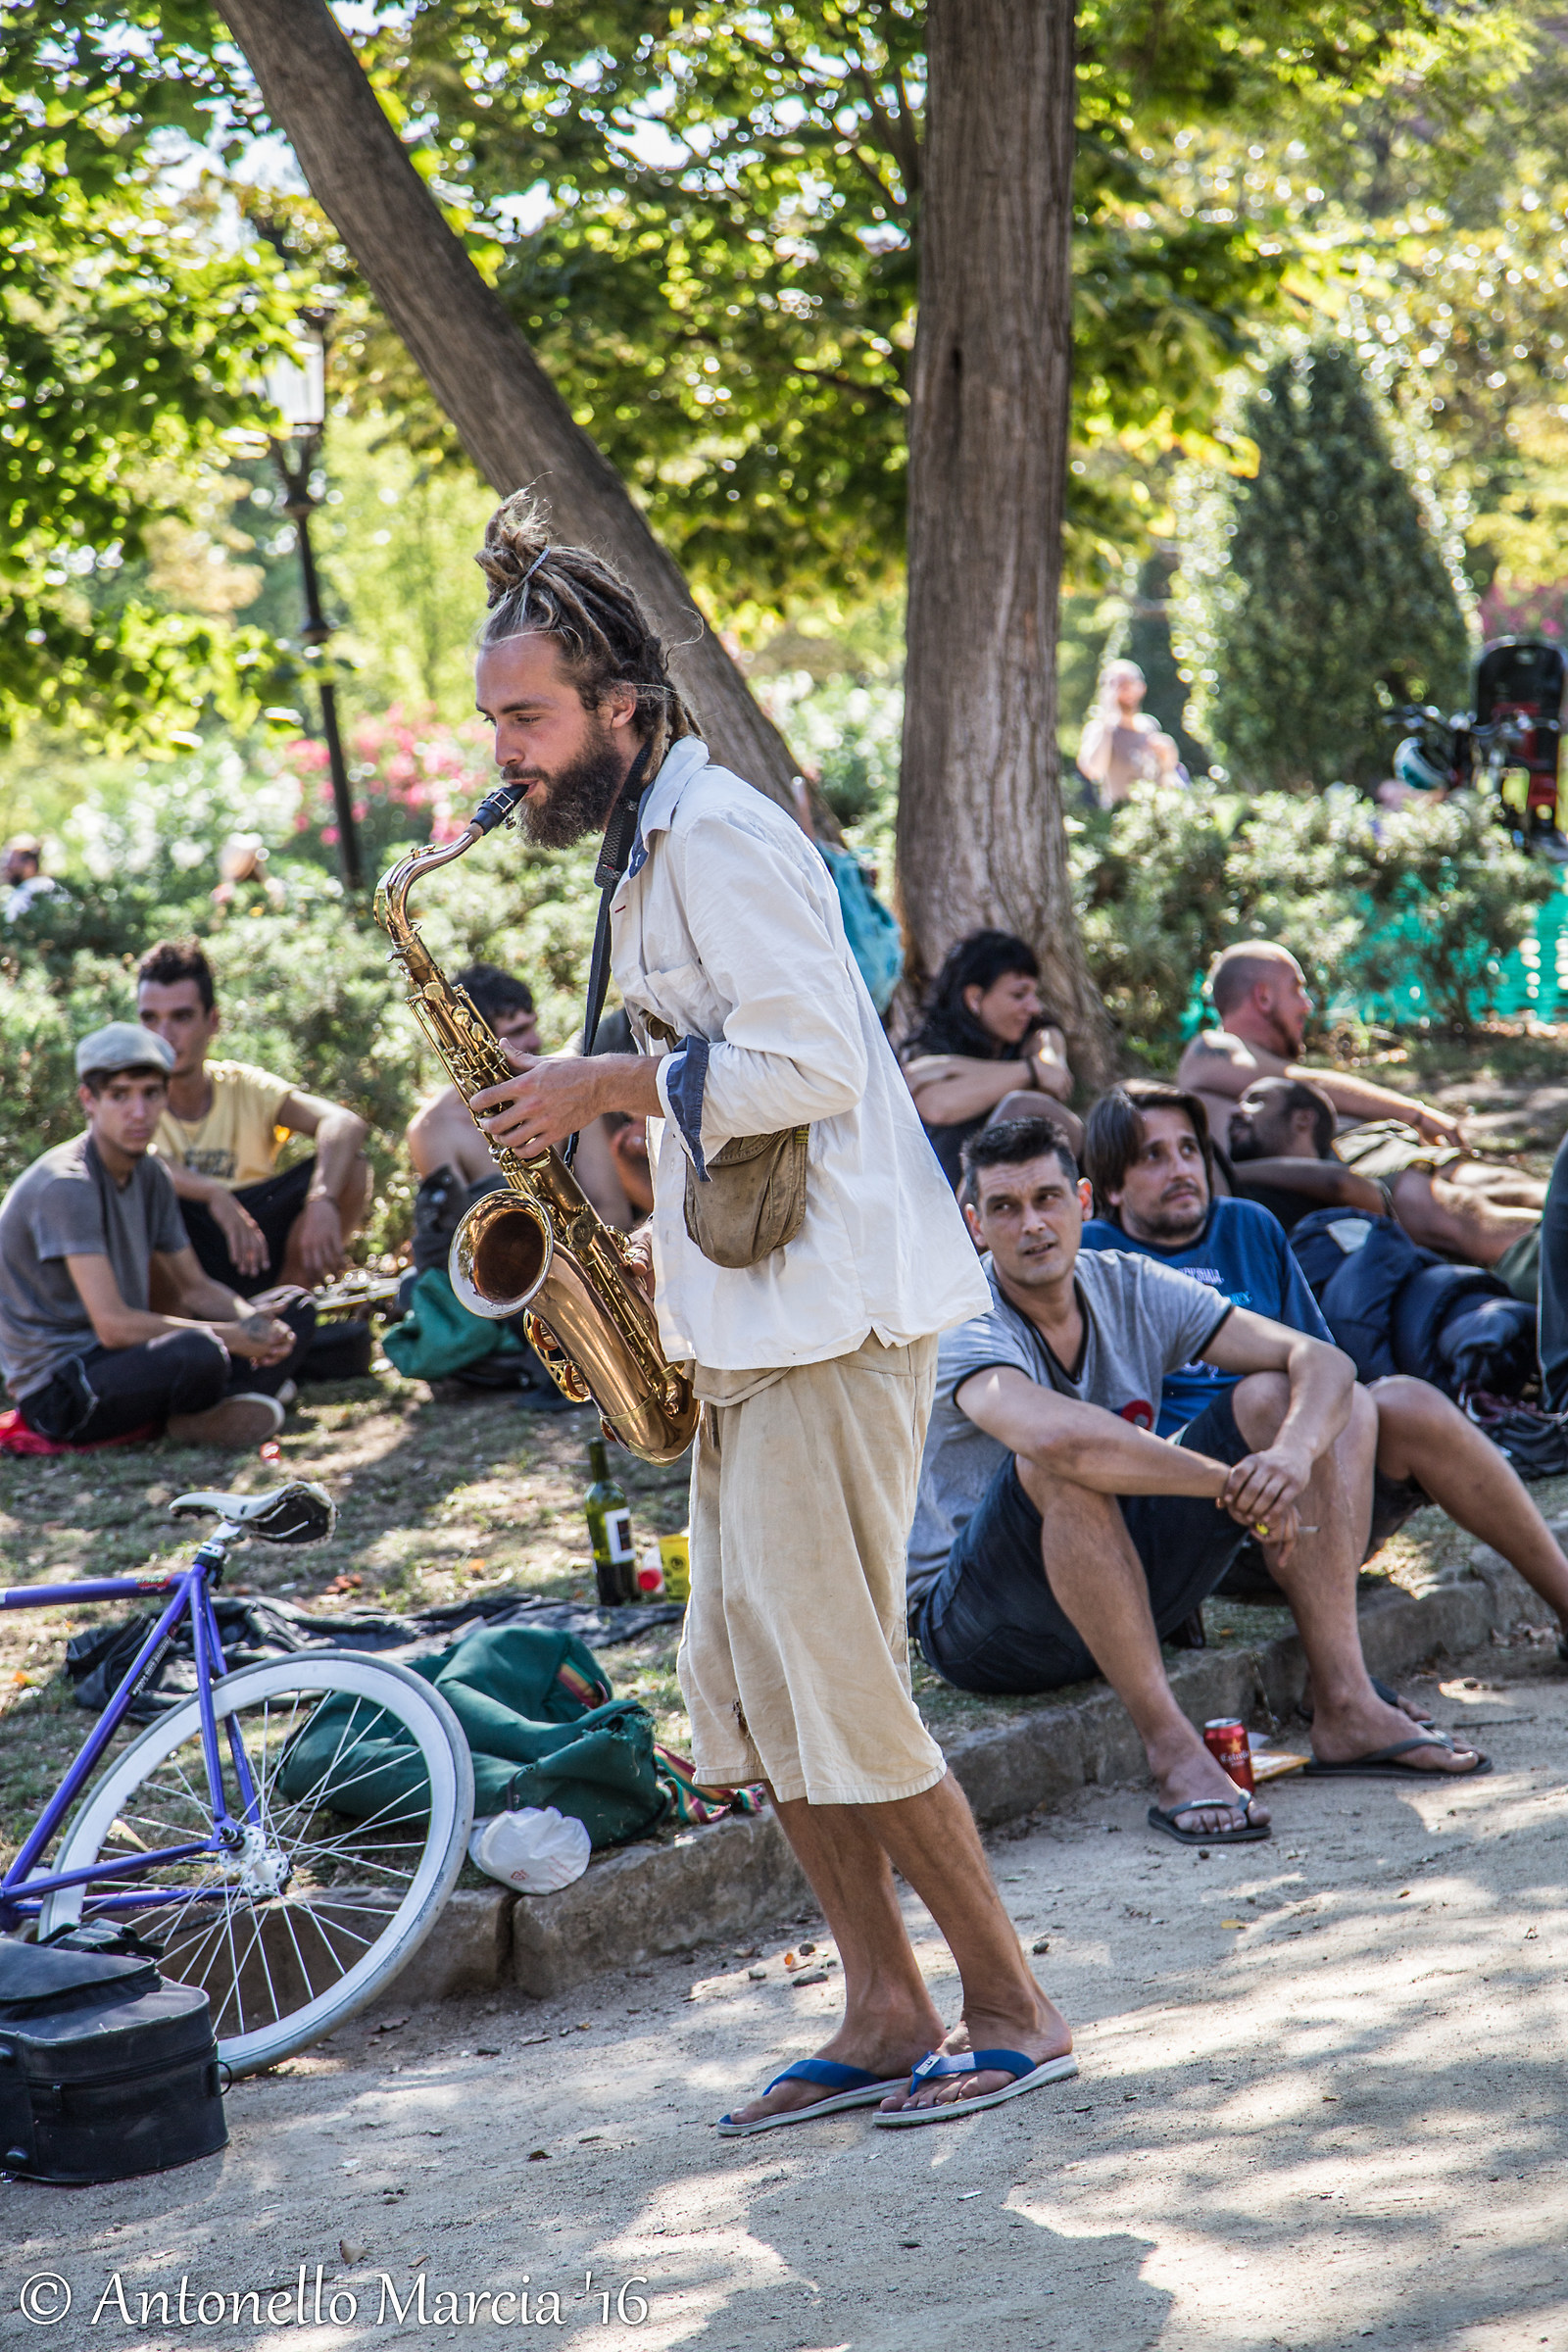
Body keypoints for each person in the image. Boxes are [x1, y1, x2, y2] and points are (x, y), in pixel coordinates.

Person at [460, 492, 1071, 2131]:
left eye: (527, 717)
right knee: (746, 1687)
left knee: (840, 1682)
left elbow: (812, 1059)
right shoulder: (647, 847)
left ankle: (1012, 1999)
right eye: (494, 719)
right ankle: (883, 2006)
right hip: (748, 1322)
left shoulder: (721, 837)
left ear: (621, 707)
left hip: (831, 1323)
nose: (503, 750)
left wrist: (604, 1077)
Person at [906, 1115, 1485, 1847]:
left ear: (1084, 1201)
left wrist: (1289, 1461)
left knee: (1273, 1401)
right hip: (984, 1624)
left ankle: (1346, 1702)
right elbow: (1057, 1439)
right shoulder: (962, 1318)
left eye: (1048, 1199)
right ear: (975, 1226)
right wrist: (1229, 1485)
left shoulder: (1128, 1283)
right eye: (1005, 1208)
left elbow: (1324, 1363)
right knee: (1061, 1464)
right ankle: (1173, 1752)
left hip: (1114, 1585)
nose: (1032, 1225)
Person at [1081, 1080, 1568, 1641]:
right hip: (1199, 1512)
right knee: (1265, 1395)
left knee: (1402, 1398)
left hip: (1313, 1494)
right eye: (1153, 1156)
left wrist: (1296, 1454)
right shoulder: (1096, 1257)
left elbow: (1326, 1367)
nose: (1181, 1169)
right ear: (1113, 1186)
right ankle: (1343, 1688)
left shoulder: (1248, 1226)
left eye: (1189, 1149)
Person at [0, 1024, 313, 1448]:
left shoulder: (150, 1174)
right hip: (63, 1389)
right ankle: (207, 1412)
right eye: (120, 1095)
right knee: (198, 1351)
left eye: (151, 1094)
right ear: (88, 1100)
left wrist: (253, 1325)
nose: (139, 1112)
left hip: (126, 1362)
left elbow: (196, 1287)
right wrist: (234, 1338)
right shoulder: (68, 1185)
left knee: (295, 1307)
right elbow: (112, 1326)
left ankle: (219, 1407)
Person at [1177, 940, 1545, 1266]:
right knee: (1458, 1212)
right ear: (1263, 997)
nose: (1307, 1006)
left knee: (1496, 1180)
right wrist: (1414, 1112)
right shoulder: (1211, 1047)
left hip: (1372, 1145)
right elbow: (1304, 1082)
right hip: (1353, 1162)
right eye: (1297, 990)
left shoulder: (1261, 1064)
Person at [135, 939, 371, 1294]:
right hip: (182, 1248)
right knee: (139, 1195)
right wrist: (213, 1193)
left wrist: (322, 1199)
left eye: (181, 1017)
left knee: (351, 1165)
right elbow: (123, 1159)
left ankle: (289, 1305)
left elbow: (343, 1123)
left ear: (212, 1020)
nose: (164, 1035)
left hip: (258, 1240)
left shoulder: (243, 1086)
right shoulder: (130, 1096)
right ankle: (187, 1332)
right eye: (150, 1019)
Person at [900, 931, 1080, 1189]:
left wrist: (949, 1068)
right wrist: (1029, 1072)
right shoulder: (930, 1045)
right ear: (975, 998)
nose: (1034, 1008)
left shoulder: (1040, 1034)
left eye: (1033, 994)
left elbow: (1052, 1075)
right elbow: (936, 1106)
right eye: (1019, 995)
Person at [1076, 660, 1184, 808]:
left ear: (1142, 688)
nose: (1126, 691)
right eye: (1119, 685)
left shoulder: (1150, 725)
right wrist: (1107, 720)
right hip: (1120, 820)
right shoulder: (1099, 729)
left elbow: (1166, 781)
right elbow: (1095, 771)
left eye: (1130, 684)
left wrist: (1168, 761)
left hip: (1155, 818)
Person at [3, 834, 62, 922]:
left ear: (30, 864)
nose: (7, 866)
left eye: (11, 861)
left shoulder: (24, 892)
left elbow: (12, 927)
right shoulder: (52, 885)